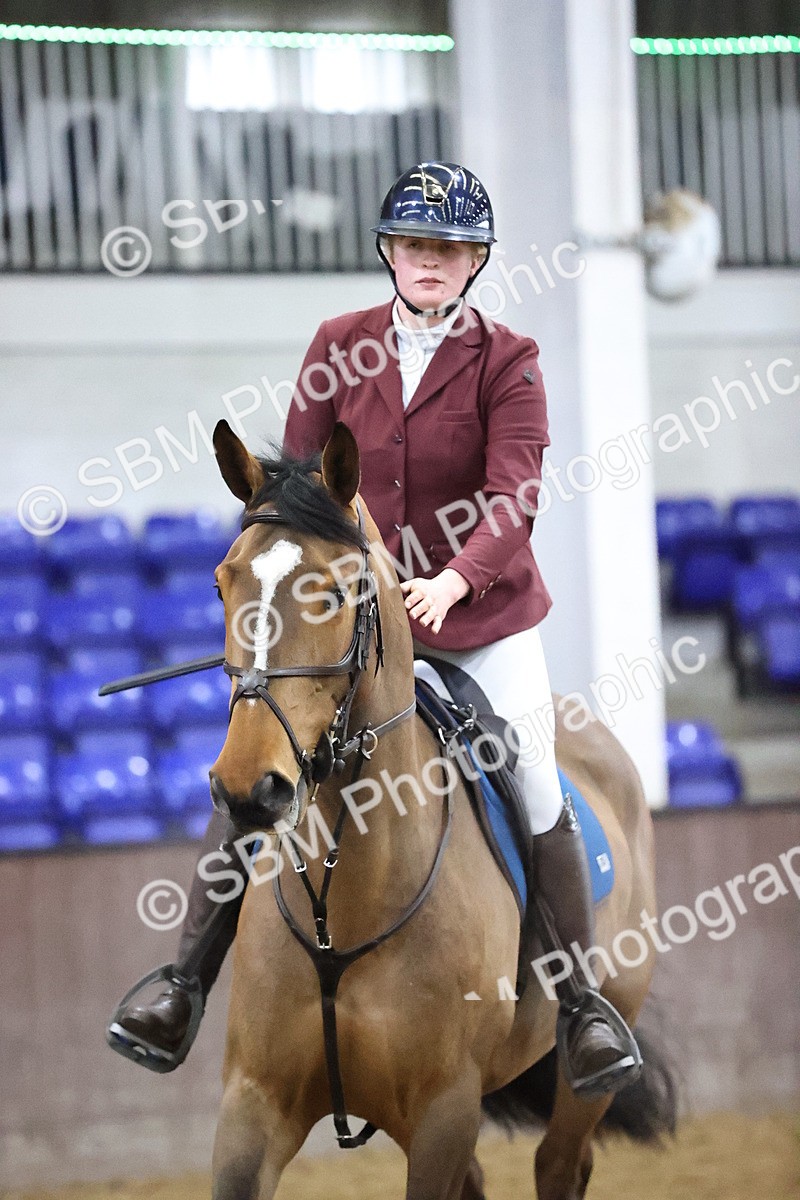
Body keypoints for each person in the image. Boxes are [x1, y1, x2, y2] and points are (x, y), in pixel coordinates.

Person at [110, 162, 641, 1098]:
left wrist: (452, 579)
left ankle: (583, 1005)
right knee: (258, 761)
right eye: (414, 244)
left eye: (449, 248)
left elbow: (516, 491)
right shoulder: (336, 345)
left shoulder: (509, 358)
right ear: (390, 252)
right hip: (351, 621)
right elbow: (297, 489)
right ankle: (182, 983)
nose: (429, 260)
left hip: (476, 620)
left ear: (474, 260)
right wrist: (338, 590)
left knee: (532, 778)